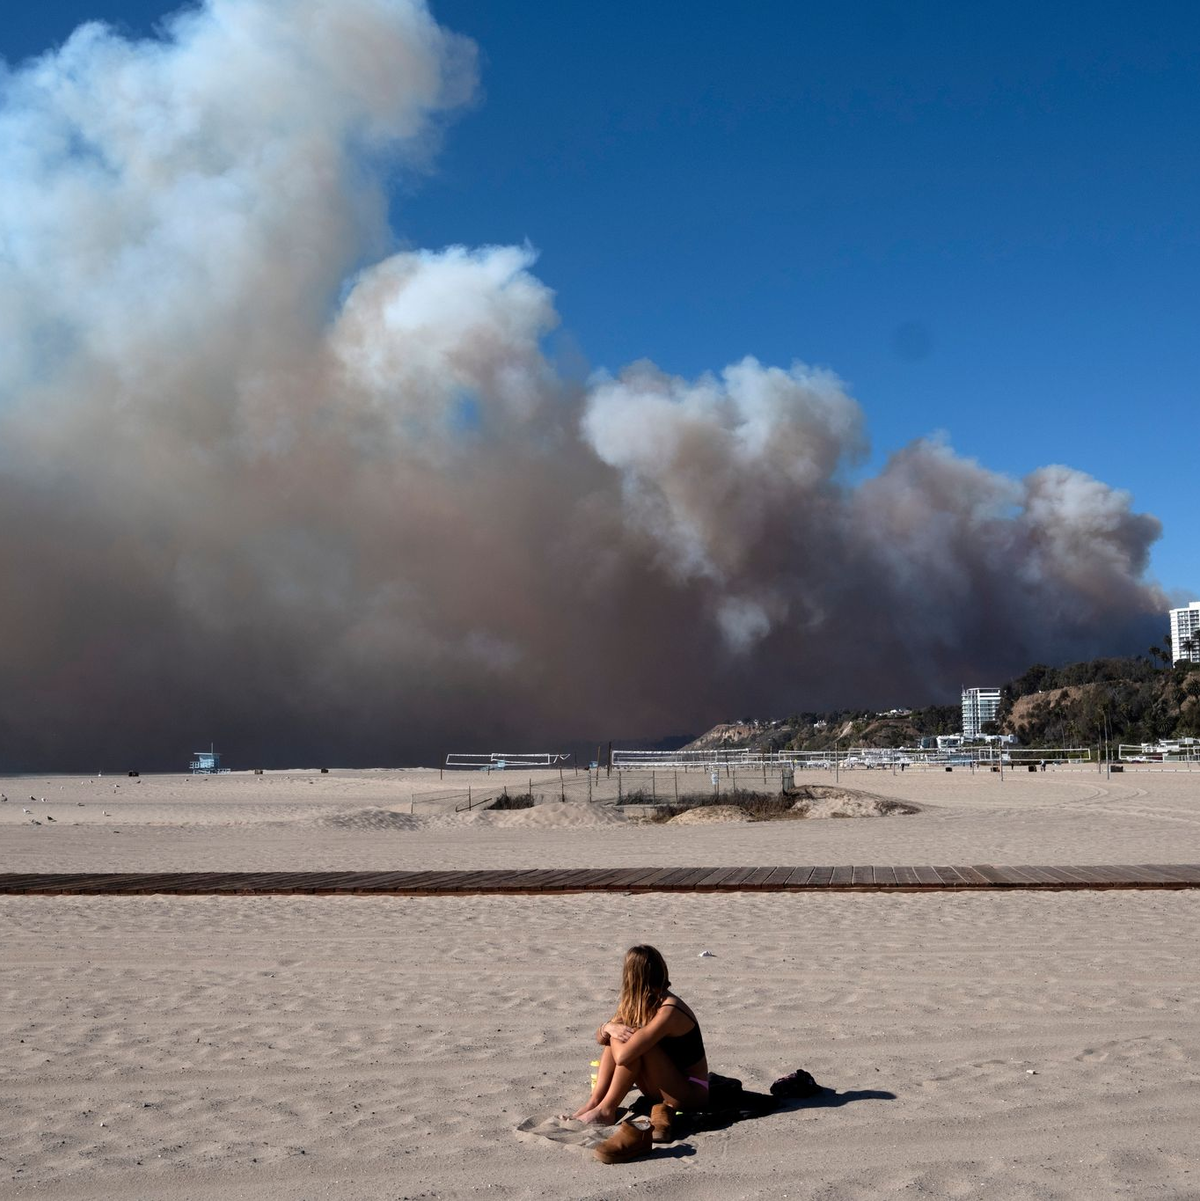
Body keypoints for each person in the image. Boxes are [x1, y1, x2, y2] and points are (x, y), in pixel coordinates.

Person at [568, 945, 709, 1135]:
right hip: (665, 1084)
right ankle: (594, 1103)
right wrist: (608, 1027)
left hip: (691, 1093)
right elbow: (601, 1039)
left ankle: (607, 1110)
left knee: (635, 1046)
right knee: (620, 1038)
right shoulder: (639, 1002)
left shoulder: (670, 1009)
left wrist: (614, 1030)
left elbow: (624, 1057)